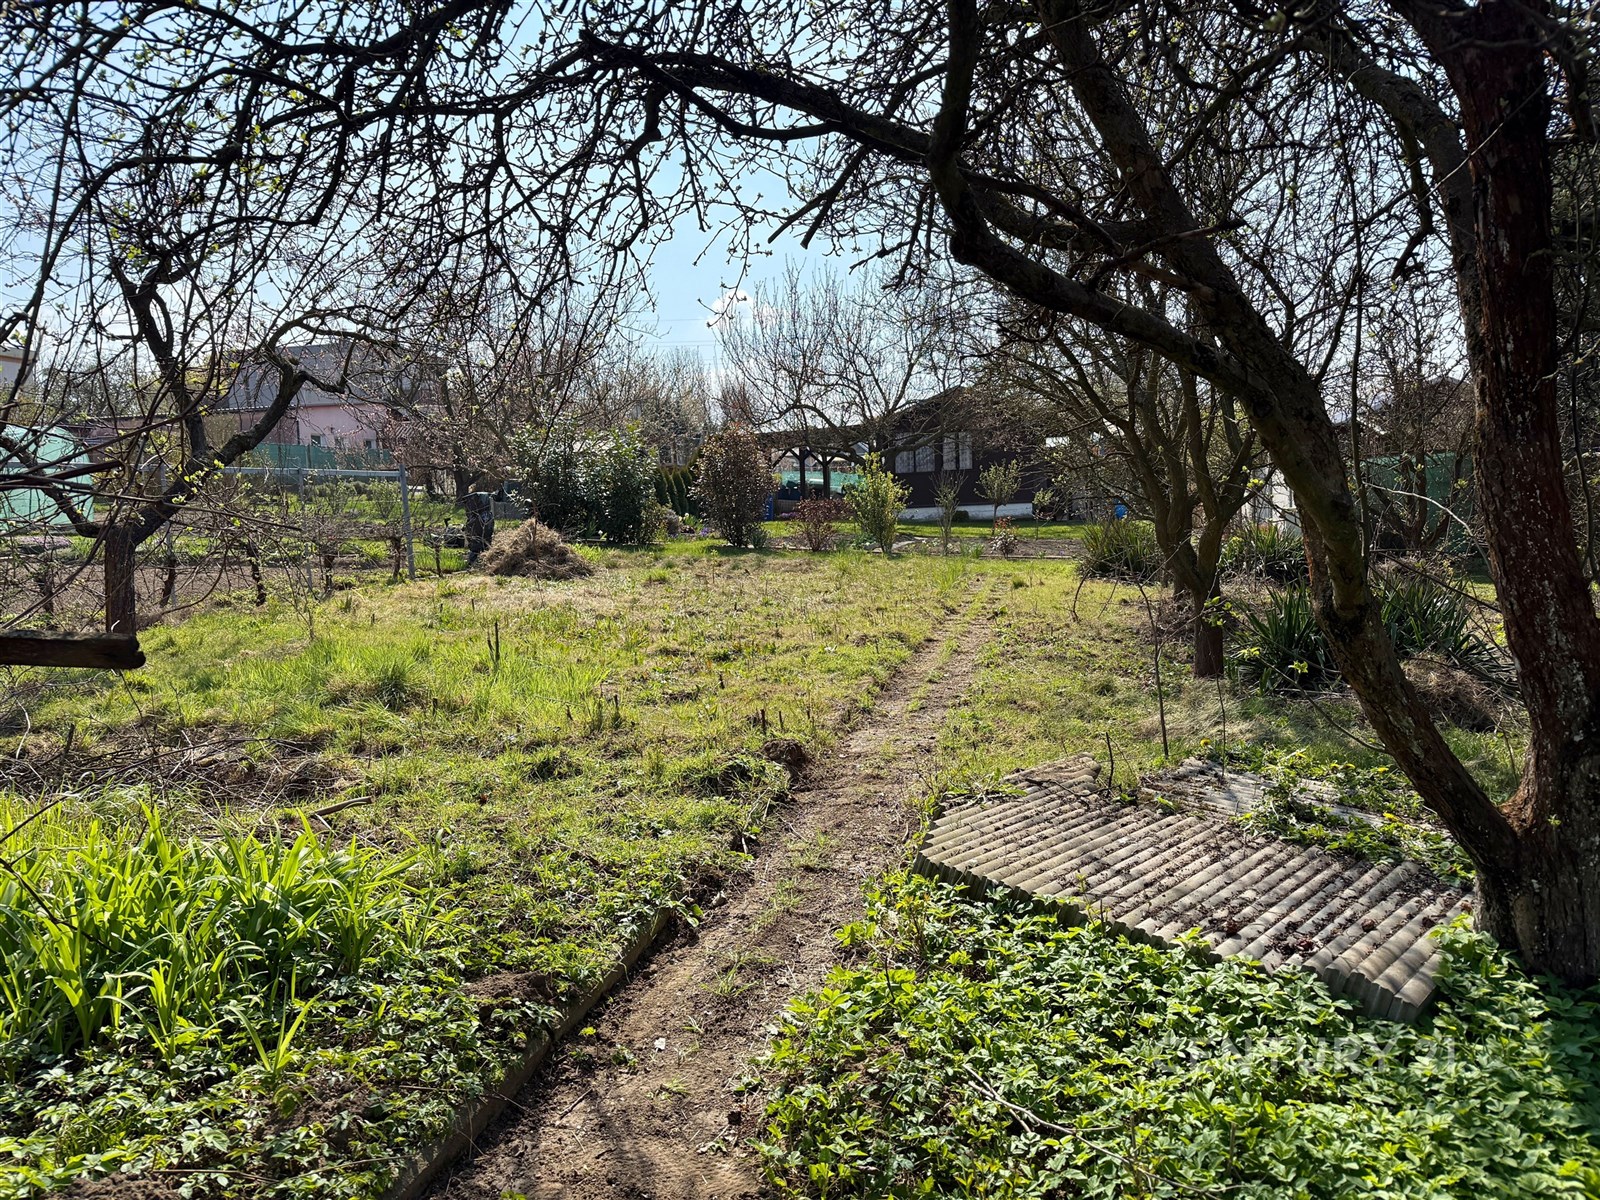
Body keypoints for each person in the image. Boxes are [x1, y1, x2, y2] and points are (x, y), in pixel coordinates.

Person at [464, 488, 495, 564]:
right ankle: (484, 561)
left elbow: (472, 530)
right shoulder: (488, 514)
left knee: (476, 547)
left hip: (478, 540)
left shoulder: (478, 516)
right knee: (485, 546)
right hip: (485, 539)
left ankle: (472, 562)